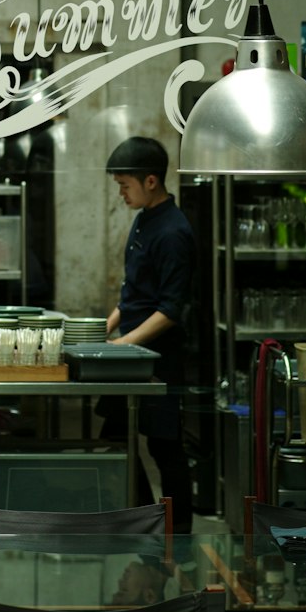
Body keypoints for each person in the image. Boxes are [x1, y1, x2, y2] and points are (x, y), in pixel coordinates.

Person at [101, 135, 195, 532]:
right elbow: (136, 293)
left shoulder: (174, 232)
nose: (121, 193)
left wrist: (123, 345)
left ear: (151, 181)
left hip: (160, 358)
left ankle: (179, 536)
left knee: (165, 449)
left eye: (125, 185)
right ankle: (143, 519)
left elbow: (170, 310)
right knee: (117, 437)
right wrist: (102, 328)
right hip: (132, 355)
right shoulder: (144, 219)